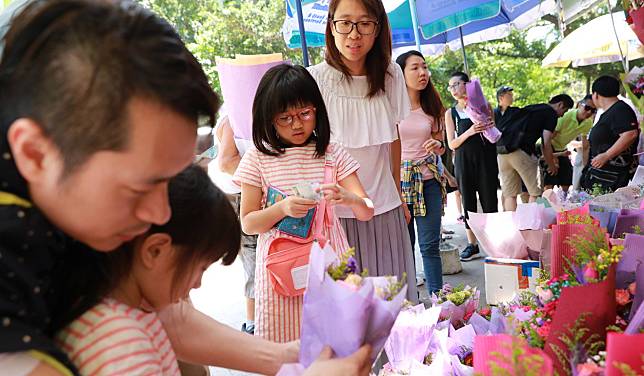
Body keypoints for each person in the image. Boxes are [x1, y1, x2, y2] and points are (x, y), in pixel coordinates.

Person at [0, 1, 371, 375]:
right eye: (141, 186)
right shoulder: (12, 254)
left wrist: (286, 358)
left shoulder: (87, 200)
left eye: (171, 178)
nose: (161, 214)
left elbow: (169, 317)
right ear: (35, 153)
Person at [235, 64, 374, 342]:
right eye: (285, 118)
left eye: (305, 114)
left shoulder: (332, 153)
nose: (297, 124)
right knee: (286, 349)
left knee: (338, 343)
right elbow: (248, 223)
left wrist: (348, 198)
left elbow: (367, 211)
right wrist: (281, 209)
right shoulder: (257, 159)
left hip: (331, 263)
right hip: (279, 272)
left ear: (317, 111)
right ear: (268, 119)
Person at [56, 165, 240, 375]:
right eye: (201, 268)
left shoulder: (127, 313)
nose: (198, 284)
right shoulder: (121, 343)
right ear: (154, 251)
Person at [308, 0, 418, 301]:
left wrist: (398, 191)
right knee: (347, 309)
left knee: (391, 303)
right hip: (334, 217)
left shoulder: (392, 74)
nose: (354, 34)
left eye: (364, 23)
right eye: (345, 23)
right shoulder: (313, 79)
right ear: (331, 26)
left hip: (384, 207)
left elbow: (393, 137)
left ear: (378, 27)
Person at [395, 50, 445, 294]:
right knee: (405, 246)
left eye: (424, 67)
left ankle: (439, 303)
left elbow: (441, 144)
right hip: (401, 184)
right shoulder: (392, 107)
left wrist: (438, 145)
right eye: (414, 68)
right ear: (401, 73)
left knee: (430, 246)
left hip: (430, 182)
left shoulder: (433, 106)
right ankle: (410, 302)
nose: (422, 72)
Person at [210, 114, 258, 335]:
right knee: (254, 261)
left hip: (245, 194)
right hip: (245, 195)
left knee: (254, 261)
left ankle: (254, 324)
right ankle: (253, 325)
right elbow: (227, 161)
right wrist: (265, 179)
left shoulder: (237, 107)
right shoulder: (233, 113)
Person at [444, 72, 499, 261]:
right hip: (463, 160)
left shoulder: (485, 105)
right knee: (468, 200)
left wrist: (489, 124)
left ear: (467, 85)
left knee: (489, 197)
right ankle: (472, 244)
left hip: (486, 158)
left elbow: (493, 134)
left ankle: (494, 241)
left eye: (456, 84)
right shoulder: (451, 113)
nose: (452, 89)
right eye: (450, 86)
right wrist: (469, 132)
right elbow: (451, 144)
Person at [497, 94, 573, 211]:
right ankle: (530, 224)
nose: (562, 115)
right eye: (565, 110)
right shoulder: (551, 114)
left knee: (510, 194)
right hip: (522, 152)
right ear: (560, 104)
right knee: (535, 192)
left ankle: (511, 225)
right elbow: (546, 143)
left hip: (503, 151)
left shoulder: (533, 108)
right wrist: (551, 165)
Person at [581, 76, 640, 192]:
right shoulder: (611, 112)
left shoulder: (620, 110)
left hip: (611, 178)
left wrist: (607, 155)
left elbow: (630, 134)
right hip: (601, 176)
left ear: (596, 95)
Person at [539, 94, 596, 192]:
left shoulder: (588, 123)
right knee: (550, 182)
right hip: (547, 146)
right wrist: (553, 158)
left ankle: (563, 203)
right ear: (579, 105)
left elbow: (585, 146)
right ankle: (545, 205)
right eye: (587, 108)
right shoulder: (565, 116)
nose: (589, 112)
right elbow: (548, 139)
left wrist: (585, 167)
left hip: (562, 148)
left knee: (566, 181)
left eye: (593, 110)